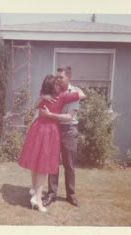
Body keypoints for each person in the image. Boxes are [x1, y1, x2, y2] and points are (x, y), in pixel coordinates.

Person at [18, 74, 85, 212]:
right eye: (57, 82)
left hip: (37, 128)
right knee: (43, 165)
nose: (59, 84)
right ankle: (37, 199)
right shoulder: (61, 96)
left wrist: (42, 96)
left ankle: (35, 191)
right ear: (53, 86)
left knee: (37, 162)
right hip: (49, 130)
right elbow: (82, 95)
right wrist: (75, 87)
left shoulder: (44, 96)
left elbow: (36, 105)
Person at [40, 66, 85, 207]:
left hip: (69, 130)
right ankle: (51, 193)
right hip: (54, 129)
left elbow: (69, 116)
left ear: (68, 77)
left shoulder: (75, 92)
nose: (58, 79)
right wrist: (42, 96)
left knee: (69, 165)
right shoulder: (54, 90)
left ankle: (70, 195)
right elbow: (41, 97)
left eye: (61, 77)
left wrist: (50, 116)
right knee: (53, 163)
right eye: (57, 77)